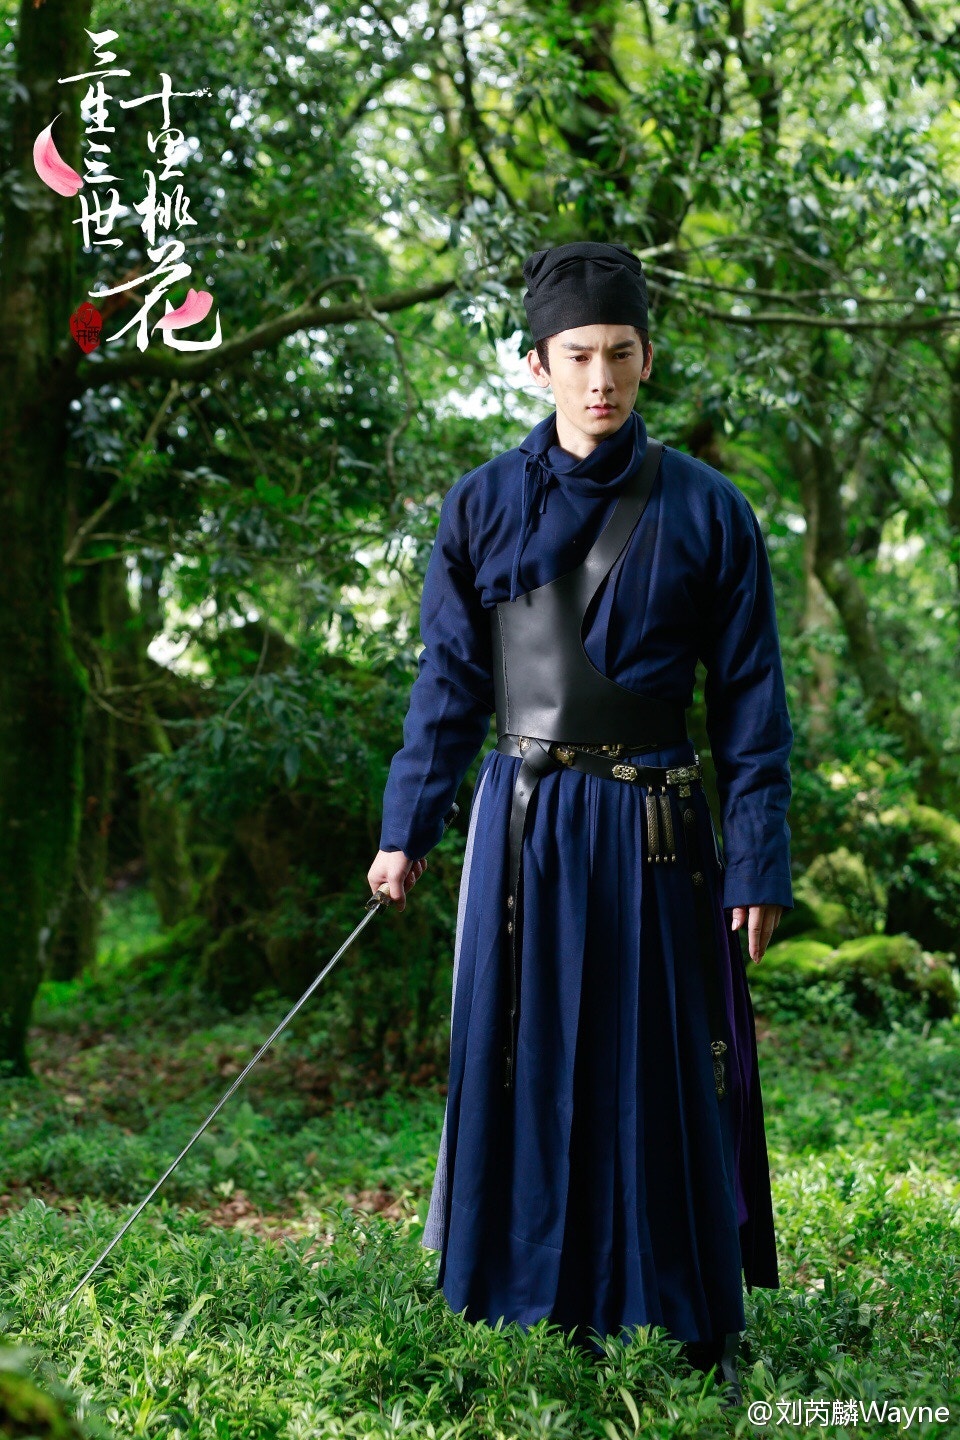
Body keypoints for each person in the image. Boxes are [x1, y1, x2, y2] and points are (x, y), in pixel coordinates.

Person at [367, 241, 793, 1399]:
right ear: (537, 365)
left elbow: (751, 704)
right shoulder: (484, 504)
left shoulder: (710, 512)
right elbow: (450, 684)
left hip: (657, 833)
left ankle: (671, 1310)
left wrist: (757, 862)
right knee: (522, 1055)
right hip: (523, 828)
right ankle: (519, 1297)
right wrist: (407, 828)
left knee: (656, 1067)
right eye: (576, 357)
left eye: (618, 354)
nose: (598, 378)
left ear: (646, 358)